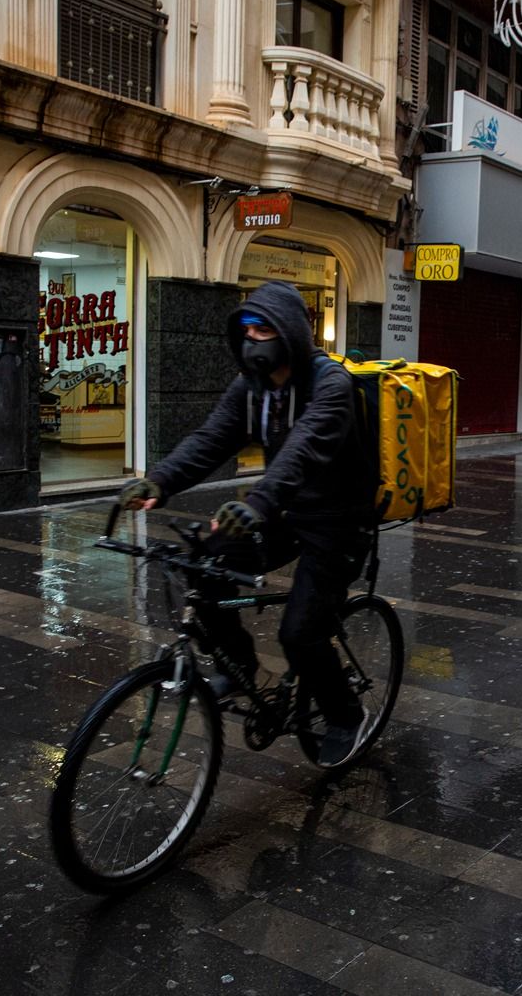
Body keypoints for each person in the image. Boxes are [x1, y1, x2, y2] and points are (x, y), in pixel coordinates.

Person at [121, 280, 375, 767]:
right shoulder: (252, 388)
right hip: (284, 511)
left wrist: (257, 502)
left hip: (339, 522)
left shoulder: (331, 385)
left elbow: (302, 450)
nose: (254, 341)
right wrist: (159, 481)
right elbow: (212, 438)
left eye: (265, 330)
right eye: (246, 331)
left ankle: (345, 714)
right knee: (204, 567)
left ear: (292, 334)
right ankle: (239, 667)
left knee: (301, 634)